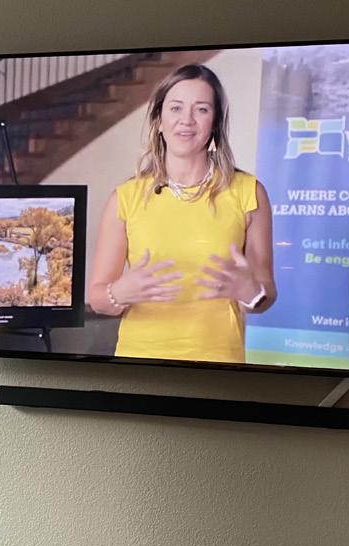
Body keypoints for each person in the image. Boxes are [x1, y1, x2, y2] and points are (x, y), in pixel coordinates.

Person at [88, 64, 276, 363]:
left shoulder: (249, 192)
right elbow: (97, 298)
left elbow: (266, 295)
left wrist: (250, 292)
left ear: (215, 123)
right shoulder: (125, 197)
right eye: (176, 108)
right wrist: (120, 292)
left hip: (219, 364)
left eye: (201, 109)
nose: (186, 120)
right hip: (140, 364)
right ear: (159, 120)